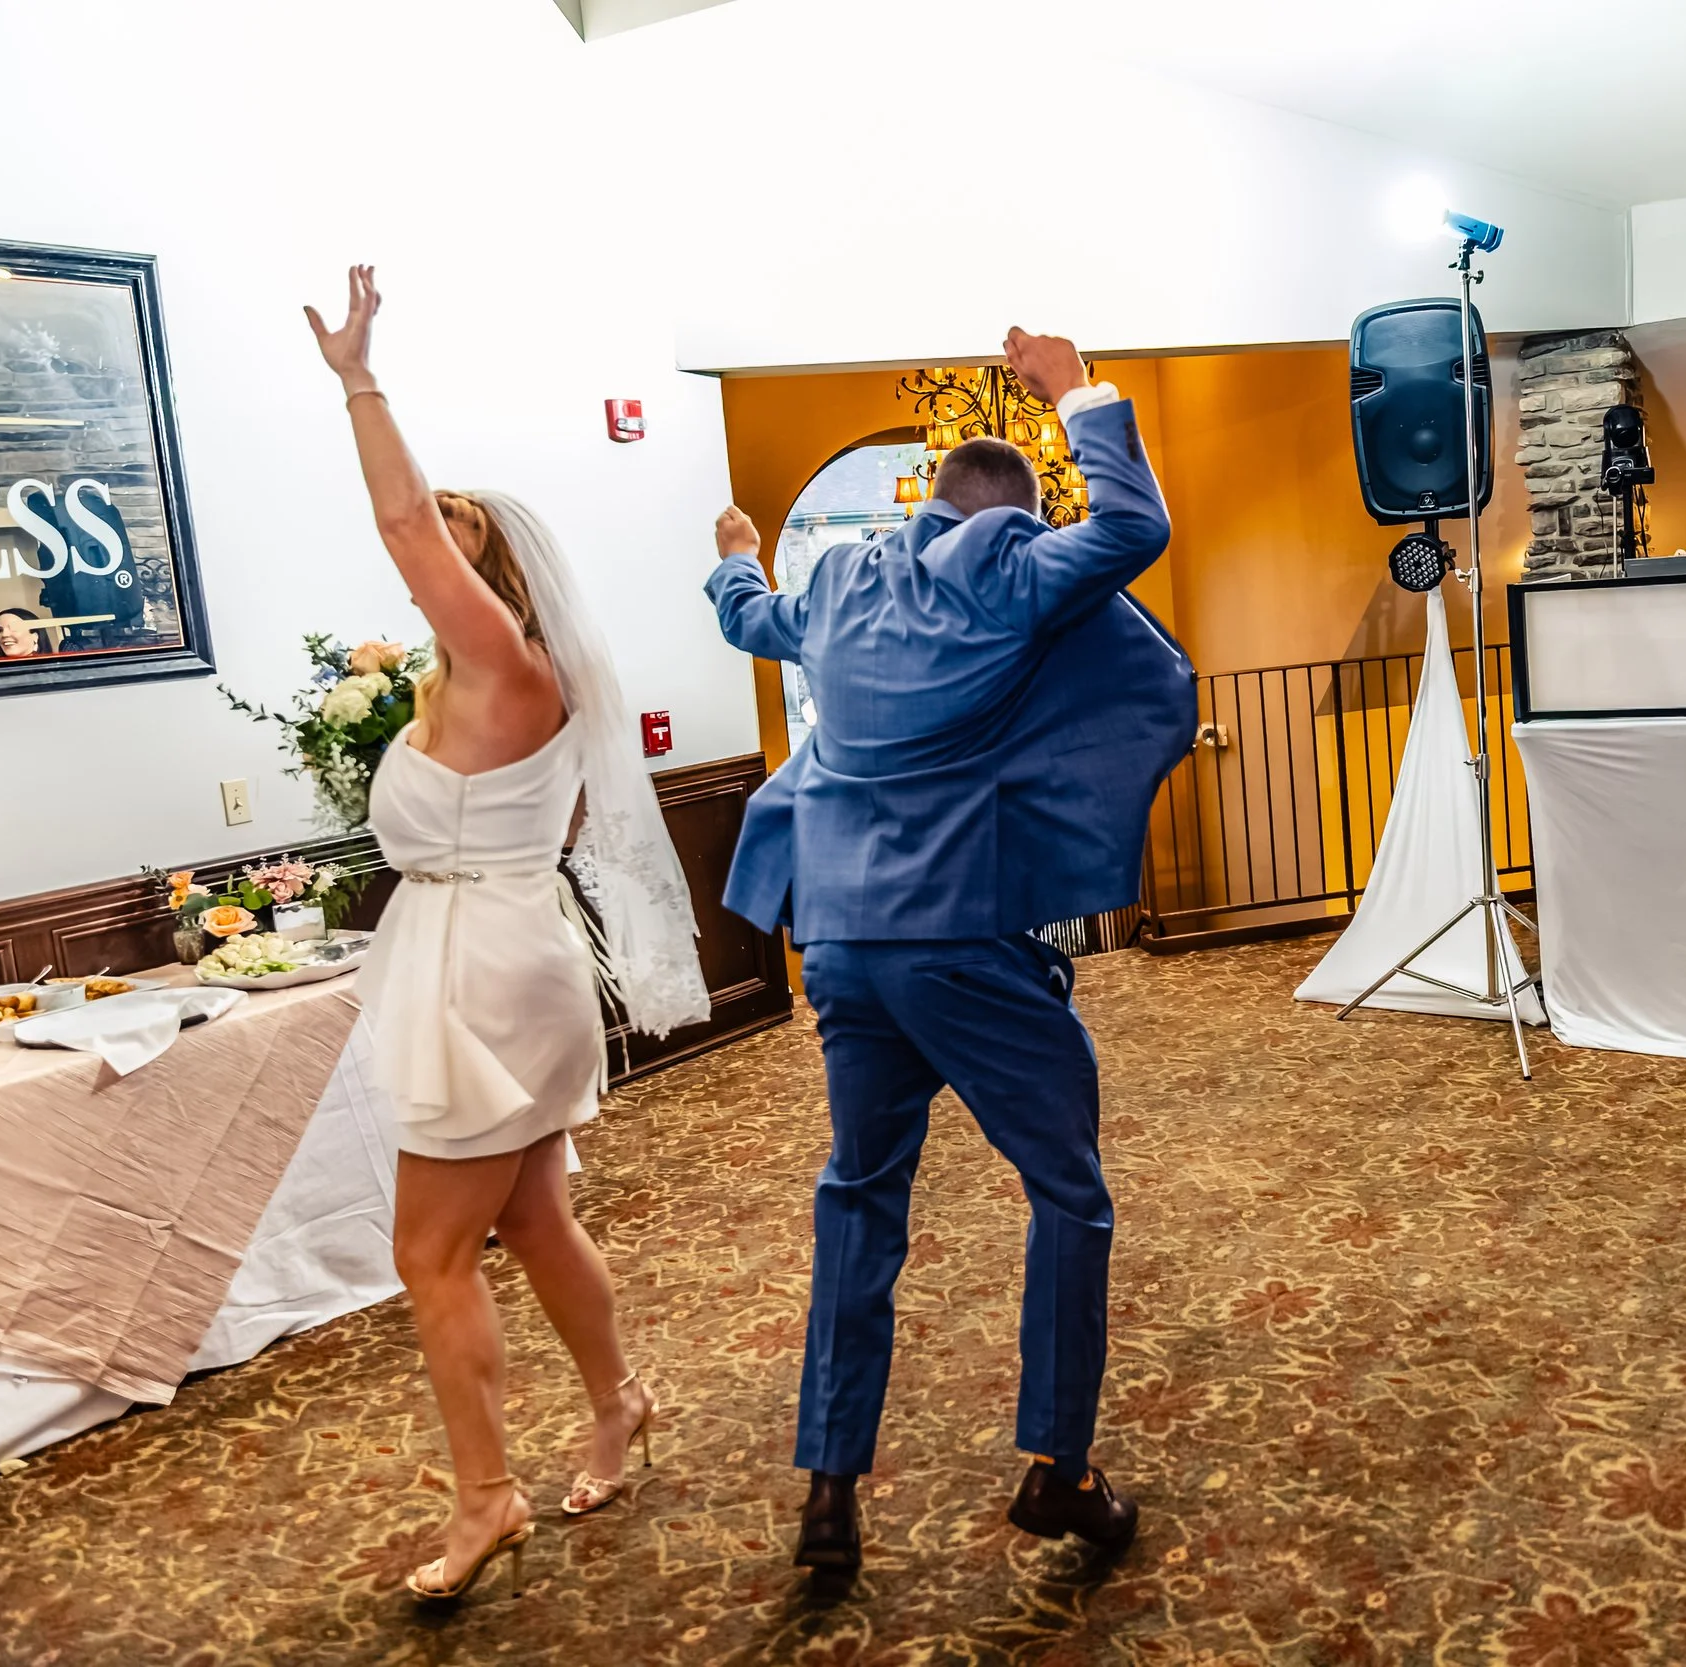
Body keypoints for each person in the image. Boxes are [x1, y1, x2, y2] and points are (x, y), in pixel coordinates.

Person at [706, 326, 1195, 1597]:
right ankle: (1061, 1469)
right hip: (960, 943)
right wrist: (1075, 382)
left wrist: (732, 563)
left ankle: (829, 1484)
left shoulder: (838, 582)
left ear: (929, 504)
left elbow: (754, 621)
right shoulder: (1013, 573)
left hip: (843, 949)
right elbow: (1134, 527)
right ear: (1020, 521)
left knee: (858, 1194)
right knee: (1066, 1189)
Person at [305, 265, 710, 1603]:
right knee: (532, 1215)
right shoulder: (478, 684)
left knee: (430, 1250)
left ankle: (488, 1496)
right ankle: (618, 1398)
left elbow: (403, 519)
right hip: (499, 950)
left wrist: (361, 381)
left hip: (488, 966)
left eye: (459, 533)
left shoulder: (506, 667)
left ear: (491, 568)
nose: (433, 544)